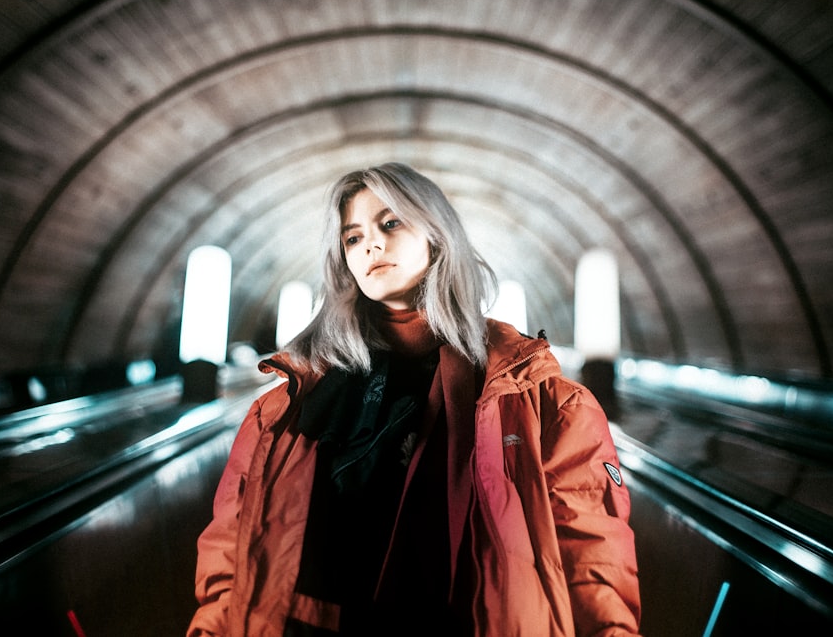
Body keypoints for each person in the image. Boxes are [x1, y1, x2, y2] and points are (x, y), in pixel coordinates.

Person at [187, 163, 641, 637]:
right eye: (352, 237)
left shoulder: (540, 403)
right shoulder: (289, 407)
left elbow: (591, 562)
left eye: (390, 223)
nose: (371, 246)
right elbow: (231, 554)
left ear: (437, 236)